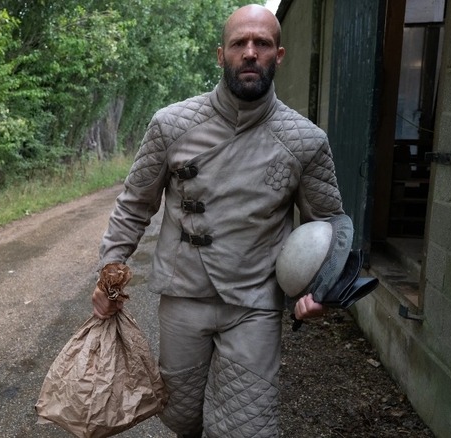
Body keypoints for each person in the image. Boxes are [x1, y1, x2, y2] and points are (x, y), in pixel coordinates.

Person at [91, 4, 345, 438]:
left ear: (278, 55)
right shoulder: (171, 124)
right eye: (239, 43)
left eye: (261, 44)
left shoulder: (305, 140)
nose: (250, 52)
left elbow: (330, 222)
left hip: (255, 303)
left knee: (245, 426)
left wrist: (322, 290)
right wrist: (110, 276)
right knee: (181, 414)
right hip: (183, 294)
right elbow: (135, 204)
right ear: (221, 54)